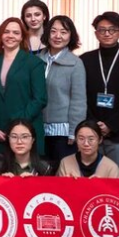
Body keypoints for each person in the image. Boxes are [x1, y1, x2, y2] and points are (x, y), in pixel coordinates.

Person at [56, 121, 119, 237]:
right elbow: (56, 195)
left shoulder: (110, 167)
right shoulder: (66, 162)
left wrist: (103, 188)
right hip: (72, 213)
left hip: (98, 216)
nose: (86, 143)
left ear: (100, 140)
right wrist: (65, 185)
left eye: (91, 139)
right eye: (81, 138)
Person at [81, 12, 119, 178]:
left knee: (117, 182)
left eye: (112, 30)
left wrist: (111, 125)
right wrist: (94, 124)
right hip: (91, 132)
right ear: (96, 33)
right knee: (89, 182)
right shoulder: (85, 60)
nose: (107, 33)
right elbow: (80, 96)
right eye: (102, 30)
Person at [0, 17, 48, 159]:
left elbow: (40, 99)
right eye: (6, 32)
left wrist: (17, 125)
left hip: (25, 132)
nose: (10, 35)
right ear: (1, 35)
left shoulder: (34, 63)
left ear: (22, 37)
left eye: (16, 33)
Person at [39, 15, 87, 168]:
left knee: (62, 174)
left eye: (63, 32)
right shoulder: (37, 59)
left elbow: (78, 101)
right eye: (53, 31)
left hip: (63, 133)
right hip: (38, 129)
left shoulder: (75, 63)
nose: (57, 36)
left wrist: (74, 131)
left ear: (71, 36)